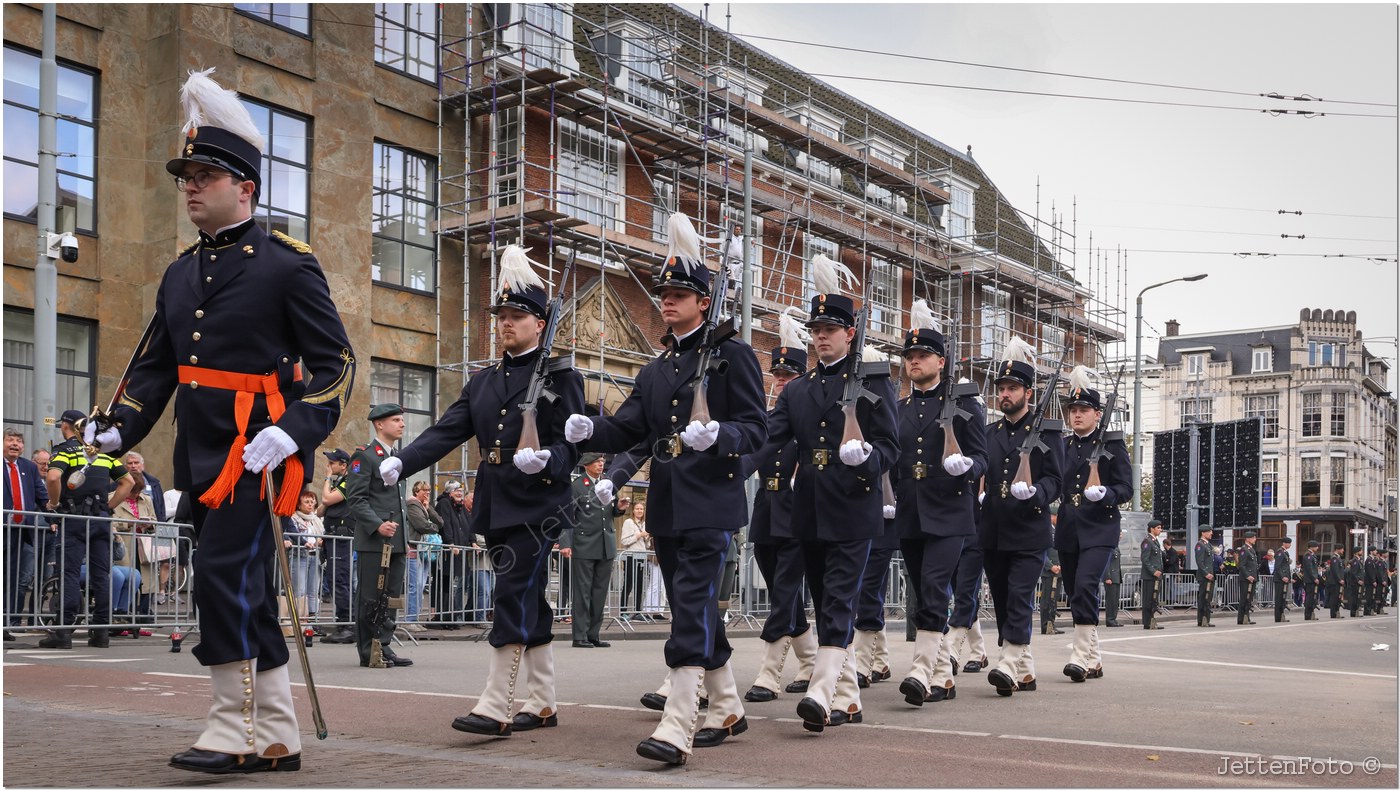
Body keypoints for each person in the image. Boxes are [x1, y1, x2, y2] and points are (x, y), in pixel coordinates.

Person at [84, 69, 356, 774]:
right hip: (200, 457)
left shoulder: (288, 266)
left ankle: (230, 728)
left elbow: (336, 367)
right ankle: (275, 734)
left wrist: (293, 430)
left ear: (247, 188)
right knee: (243, 587)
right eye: (187, 177)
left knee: (223, 580)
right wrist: (120, 427)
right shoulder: (177, 274)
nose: (191, 187)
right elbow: (154, 366)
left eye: (206, 175)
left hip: (257, 452)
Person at [564, 214, 766, 764]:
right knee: (688, 602)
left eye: (679, 294)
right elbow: (629, 428)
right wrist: (588, 428)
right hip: (669, 506)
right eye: (664, 294)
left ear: (704, 301)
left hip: (711, 502)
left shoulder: (732, 355)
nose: (667, 302)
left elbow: (757, 428)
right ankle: (727, 705)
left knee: (692, 605)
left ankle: (677, 722)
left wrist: (720, 434)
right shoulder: (656, 371)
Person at [378, 245, 584, 737]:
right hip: (496, 501)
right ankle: (543, 701)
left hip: (540, 504)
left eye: (517, 315)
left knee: (510, 594)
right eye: (502, 315)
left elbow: (576, 444)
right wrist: (402, 461)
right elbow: (447, 431)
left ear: (540, 323)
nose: (506, 323)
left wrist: (549, 459)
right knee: (528, 597)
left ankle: (497, 703)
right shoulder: (483, 381)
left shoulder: (562, 376)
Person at [757, 253, 898, 733]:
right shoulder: (797, 390)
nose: (820, 336)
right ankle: (849, 698)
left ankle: (820, 692)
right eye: (816, 328)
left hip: (855, 506)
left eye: (830, 329)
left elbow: (890, 449)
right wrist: (721, 452)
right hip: (810, 507)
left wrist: (870, 458)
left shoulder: (874, 383)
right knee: (822, 597)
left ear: (849, 333)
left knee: (839, 600)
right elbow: (769, 440)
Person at [890, 305, 986, 707]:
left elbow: (983, 459)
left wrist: (966, 466)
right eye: (909, 357)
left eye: (923, 356)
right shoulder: (899, 409)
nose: (914, 361)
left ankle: (921, 669)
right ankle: (944, 675)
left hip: (949, 510)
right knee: (919, 588)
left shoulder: (965, 405)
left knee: (933, 587)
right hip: (910, 510)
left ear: (941, 362)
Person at [980, 337, 1063, 698]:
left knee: (1018, 595)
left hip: (1030, 529)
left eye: (1012, 388)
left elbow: (1056, 480)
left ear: (1028, 393)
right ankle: (1024, 670)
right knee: (1000, 596)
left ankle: (1008, 661)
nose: (1004, 395)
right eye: (1001, 388)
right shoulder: (989, 433)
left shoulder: (1047, 431)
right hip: (994, 527)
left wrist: (1036, 493)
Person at [742, 320, 817, 704]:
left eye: (790, 375)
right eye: (778, 374)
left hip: (797, 514)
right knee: (780, 592)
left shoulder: (808, 419)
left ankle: (769, 674)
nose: (782, 380)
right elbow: (755, 455)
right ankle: (810, 663)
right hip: (768, 512)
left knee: (785, 591)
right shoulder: (770, 418)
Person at [1056, 367, 1132, 683]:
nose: (1076, 415)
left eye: (1083, 410)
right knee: (1075, 593)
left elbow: (1126, 487)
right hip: (1069, 527)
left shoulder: (1112, 445)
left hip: (1100, 527)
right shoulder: (1062, 445)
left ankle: (1078, 655)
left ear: (1097, 414)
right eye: (1072, 410)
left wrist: (1107, 493)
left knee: (1086, 585)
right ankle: (1094, 658)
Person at [44, 410, 135, 650]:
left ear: (67, 426)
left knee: (70, 574)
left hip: (74, 519)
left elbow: (53, 478)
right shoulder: (103, 455)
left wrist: (53, 504)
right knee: (101, 574)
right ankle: (101, 632)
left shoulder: (65, 450)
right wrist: (108, 506)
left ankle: (63, 632)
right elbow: (129, 482)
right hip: (100, 521)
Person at [346, 404, 413, 669]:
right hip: (375, 540)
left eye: (402, 419)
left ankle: (384, 644)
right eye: (396, 420)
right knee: (371, 596)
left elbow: (398, 501)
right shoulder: (365, 457)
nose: (402, 424)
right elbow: (356, 499)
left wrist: (403, 536)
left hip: (395, 540)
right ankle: (368, 650)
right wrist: (377, 525)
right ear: (379, 425)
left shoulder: (396, 457)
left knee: (391, 596)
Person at [561, 453, 623, 647]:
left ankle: (593, 634)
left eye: (602, 461)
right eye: (597, 461)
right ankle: (579, 636)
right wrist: (565, 543)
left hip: (606, 544)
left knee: (599, 593)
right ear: (586, 464)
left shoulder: (607, 483)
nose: (600, 464)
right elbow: (567, 516)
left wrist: (619, 508)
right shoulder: (577, 486)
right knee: (583, 592)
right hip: (584, 544)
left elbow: (610, 512)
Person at [4, 428, 48, 638]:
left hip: (20, 530)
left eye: (19, 441)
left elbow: (42, 497)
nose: (15, 444)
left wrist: (55, 513)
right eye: (10, 440)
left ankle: (6, 622)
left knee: (12, 577)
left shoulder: (28, 467)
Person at [318, 449, 356, 644]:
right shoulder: (338, 482)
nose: (329, 467)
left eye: (332, 463)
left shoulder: (349, 482)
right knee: (336, 579)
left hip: (341, 537)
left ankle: (346, 626)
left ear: (343, 465)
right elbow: (320, 510)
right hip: (333, 535)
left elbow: (326, 500)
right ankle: (346, 623)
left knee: (340, 580)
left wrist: (326, 480)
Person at [432, 480, 471, 630]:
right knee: (443, 582)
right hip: (447, 551)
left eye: (461, 490)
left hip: (456, 551)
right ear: (449, 492)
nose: (460, 493)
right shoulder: (444, 504)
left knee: (449, 583)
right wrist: (450, 542)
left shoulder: (459, 507)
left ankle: (449, 616)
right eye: (456, 490)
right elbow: (446, 524)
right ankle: (443, 616)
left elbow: (467, 525)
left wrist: (472, 541)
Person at [403, 480, 442, 630]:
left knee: (420, 585)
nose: (427, 493)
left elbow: (440, 521)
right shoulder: (412, 505)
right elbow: (422, 525)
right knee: (415, 585)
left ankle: (414, 618)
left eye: (429, 490)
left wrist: (428, 508)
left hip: (423, 550)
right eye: (424, 490)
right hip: (414, 549)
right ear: (416, 491)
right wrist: (435, 528)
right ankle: (410, 619)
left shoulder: (423, 506)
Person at [288, 489, 324, 629]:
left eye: (312, 502)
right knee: (300, 590)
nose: (310, 505)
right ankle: (300, 621)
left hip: (316, 556)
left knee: (313, 590)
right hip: (300, 556)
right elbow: (291, 534)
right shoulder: (293, 518)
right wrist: (303, 543)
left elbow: (322, 534)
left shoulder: (316, 520)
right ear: (299, 504)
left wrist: (321, 541)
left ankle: (314, 621)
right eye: (307, 502)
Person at [619, 500, 650, 620]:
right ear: (633, 510)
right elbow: (624, 541)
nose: (639, 511)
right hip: (631, 556)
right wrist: (639, 535)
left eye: (641, 509)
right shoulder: (628, 522)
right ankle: (623, 611)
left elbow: (646, 545)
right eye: (637, 509)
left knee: (639, 585)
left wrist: (647, 538)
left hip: (642, 556)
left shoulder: (644, 524)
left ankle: (637, 611)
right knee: (628, 584)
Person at [123, 452, 168, 522]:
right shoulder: (118, 484)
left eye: (136, 462)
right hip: (125, 526)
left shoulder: (154, 483)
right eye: (130, 463)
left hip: (152, 525)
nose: (133, 466)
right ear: (125, 466)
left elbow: (160, 507)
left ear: (142, 465)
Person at [1140, 521, 1165, 630]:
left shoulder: (1155, 541)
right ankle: (1147, 622)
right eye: (1158, 528)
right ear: (1152, 529)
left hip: (1156, 576)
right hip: (1150, 576)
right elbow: (1145, 559)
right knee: (1148, 599)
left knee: (1153, 599)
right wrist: (1153, 571)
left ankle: (1152, 621)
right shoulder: (1147, 541)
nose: (1160, 530)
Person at [1040, 541, 1063, 636]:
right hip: (1049, 572)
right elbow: (1041, 552)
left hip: (1059, 571)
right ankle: (1046, 626)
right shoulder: (1047, 531)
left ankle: (1052, 624)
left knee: (1054, 600)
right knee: (1047, 600)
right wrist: (1050, 566)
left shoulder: (1060, 532)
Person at [1194, 526, 1216, 627]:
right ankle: (1201, 619)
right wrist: (1206, 573)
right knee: (1203, 597)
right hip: (1205, 576)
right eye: (1209, 532)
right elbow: (1200, 562)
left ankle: (1206, 619)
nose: (1211, 534)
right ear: (1203, 533)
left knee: (1208, 598)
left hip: (1210, 575)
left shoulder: (1208, 545)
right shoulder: (1200, 545)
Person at [1238, 532, 1260, 625]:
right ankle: (1242, 618)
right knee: (1244, 598)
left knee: (1249, 598)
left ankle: (1246, 617)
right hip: (1246, 578)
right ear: (1247, 539)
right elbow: (1242, 565)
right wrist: (1247, 575)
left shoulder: (1251, 549)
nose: (1255, 539)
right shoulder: (1244, 550)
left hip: (1252, 578)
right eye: (1253, 538)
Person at [1103, 535, 1123, 627]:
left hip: (1116, 577)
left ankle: (1113, 619)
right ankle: (1110, 619)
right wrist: (1107, 577)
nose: (1121, 536)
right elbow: (1105, 562)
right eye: (1119, 533)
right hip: (1111, 578)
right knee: (1110, 600)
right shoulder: (1108, 546)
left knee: (1115, 600)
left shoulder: (1115, 546)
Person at [1300, 540, 1322, 620]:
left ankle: (1311, 613)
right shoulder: (1308, 555)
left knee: (1313, 597)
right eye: (1316, 546)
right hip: (1309, 580)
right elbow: (1309, 568)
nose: (1317, 548)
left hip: (1313, 580)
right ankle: (1308, 615)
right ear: (1312, 547)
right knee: (1309, 597)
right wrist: (1314, 578)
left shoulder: (1313, 555)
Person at [1274, 536, 1293, 622]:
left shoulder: (1285, 552)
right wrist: (1282, 576)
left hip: (1285, 579)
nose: (1289, 545)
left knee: (1283, 598)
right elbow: (1277, 567)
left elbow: (1286, 567)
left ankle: (1282, 615)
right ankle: (1278, 617)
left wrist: (1289, 578)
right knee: (1279, 598)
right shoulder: (1280, 552)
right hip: (1280, 579)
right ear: (1284, 543)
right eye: (1288, 543)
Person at [1325, 546, 1346, 618]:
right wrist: (1339, 579)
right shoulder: (1334, 558)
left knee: (1338, 598)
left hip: (1338, 582)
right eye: (1342, 549)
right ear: (1338, 549)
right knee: (1334, 598)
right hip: (1335, 582)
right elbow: (1335, 570)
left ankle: (1337, 612)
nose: (1343, 551)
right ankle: (1333, 613)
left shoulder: (1338, 558)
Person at [1345, 549, 1365, 617]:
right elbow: (1354, 572)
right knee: (1355, 597)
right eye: (1360, 551)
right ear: (1357, 552)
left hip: (1359, 582)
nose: (1362, 552)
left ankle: (1356, 611)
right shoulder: (1355, 561)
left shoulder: (1359, 561)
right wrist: (1358, 580)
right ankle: (1353, 612)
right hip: (1355, 583)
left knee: (1358, 597)